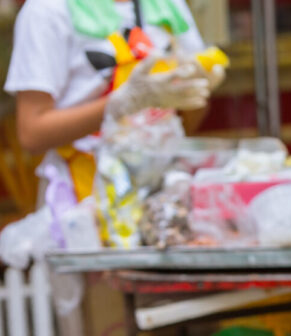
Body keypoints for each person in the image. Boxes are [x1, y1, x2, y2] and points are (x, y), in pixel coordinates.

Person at [5, 0, 217, 202]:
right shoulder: (47, 11)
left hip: (162, 192)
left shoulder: (166, 5)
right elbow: (32, 133)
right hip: (82, 202)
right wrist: (118, 105)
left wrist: (200, 85)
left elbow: (190, 117)